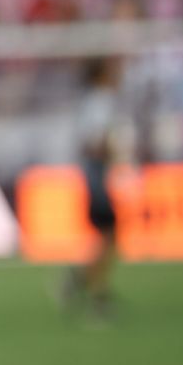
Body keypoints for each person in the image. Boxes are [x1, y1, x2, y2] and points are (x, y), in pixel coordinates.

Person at [59, 57, 122, 322]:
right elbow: (95, 142)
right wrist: (116, 155)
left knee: (108, 237)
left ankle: (80, 280)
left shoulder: (90, 101)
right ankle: (96, 296)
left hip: (92, 174)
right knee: (108, 236)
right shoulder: (102, 101)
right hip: (97, 175)